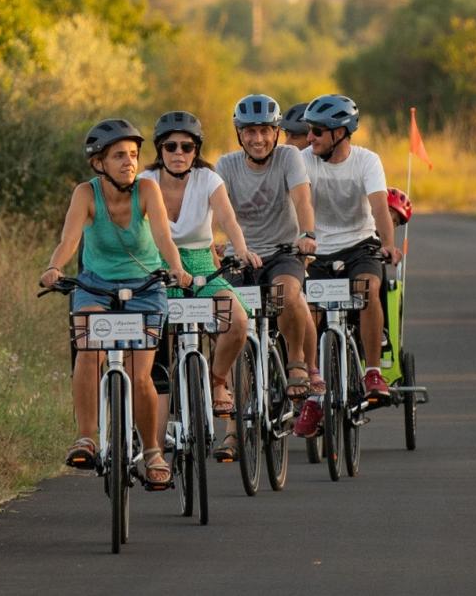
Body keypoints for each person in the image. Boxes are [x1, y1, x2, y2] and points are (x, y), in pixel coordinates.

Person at [40, 118, 192, 490]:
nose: (129, 162)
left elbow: (162, 236)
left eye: (134, 155)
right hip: (96, 288)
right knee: (89, 351)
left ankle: (153, 451)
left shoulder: (147, 190)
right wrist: (54, 267)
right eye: (119, 156)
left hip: (145, 289)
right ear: (99, 163)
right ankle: (87, 437)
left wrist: (176, 268)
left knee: (141, 375)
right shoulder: (85, 194)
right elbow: (69, 239)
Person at [137, 111, 261, 450]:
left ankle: (217, 380)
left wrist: (242, 249)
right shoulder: (143, 180)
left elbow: (228, 220)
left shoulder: (209, 180)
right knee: (155, 350)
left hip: (202, 264)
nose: (179, 153)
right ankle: (154, 447)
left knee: (237, 320)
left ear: (196, 150)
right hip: (156, 266)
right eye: (171, 146)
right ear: (160, 149)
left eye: (187, 147)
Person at [292, 95, 403, 437]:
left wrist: (387, 245)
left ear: (340, 133)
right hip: (317, 250)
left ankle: (372, 371)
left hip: (360, 245)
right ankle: (314, 389)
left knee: (370, 287)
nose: (309, 138)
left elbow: (379, 207)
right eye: (308, 131)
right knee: (306, 304)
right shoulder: (303, 161)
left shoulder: (367, 161)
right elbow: (296, 202)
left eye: (316, 132)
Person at [214, 94, 318, 459]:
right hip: (239, 258)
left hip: (282, 253)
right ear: (239, 134)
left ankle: (295, 363)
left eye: (264, 131)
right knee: (233, 331)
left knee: (288, 292)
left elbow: (302, 198)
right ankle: (231, 431)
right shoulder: (225, 165)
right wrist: (211, 243)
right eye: (250, 132)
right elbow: (216, 210)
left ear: (276, 133)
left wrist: (307, 233)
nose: (257, 139)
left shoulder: (289, 157)